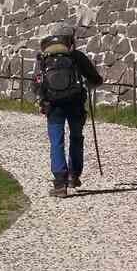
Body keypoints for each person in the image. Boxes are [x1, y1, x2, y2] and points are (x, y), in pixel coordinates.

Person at [33, 25, 102, 197]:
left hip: (53, 105)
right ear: (71, 40)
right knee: (76, 138)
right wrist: (88, 84)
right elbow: (96, 79)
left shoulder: (43, 58)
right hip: (75, 103)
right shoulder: (76, 56)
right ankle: (74, 175)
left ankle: (59, 184)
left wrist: (42, 99)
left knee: (57, 141)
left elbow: (35, 84)